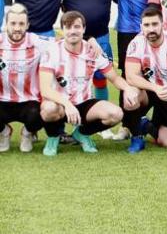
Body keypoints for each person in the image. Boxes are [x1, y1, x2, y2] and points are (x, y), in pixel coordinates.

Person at [39, 11, 138, 156]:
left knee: (115, 114)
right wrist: (67, 105)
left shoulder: (93, 51)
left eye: (77, 27)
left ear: (84, 29)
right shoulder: (52, 51)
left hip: (84, 103)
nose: (73, 31)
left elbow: (114, 78)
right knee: (48, 109)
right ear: (62, 30)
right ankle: (53, 137)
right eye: (68, 27)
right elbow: (45, 89)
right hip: (60, 104)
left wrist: (128, 88)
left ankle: (81, 134)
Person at [122, 6, 167, 152]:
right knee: (130, 96)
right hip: (150, 89)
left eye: (155, 24)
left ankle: (146, 125)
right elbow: (131, 76)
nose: (151, 29)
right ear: (141, 26)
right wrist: (155, 88)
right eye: (147, 25)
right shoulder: (136, 43)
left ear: (163, 24)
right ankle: (136, 137)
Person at [61, 0, 114, 101]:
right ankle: (78, 122)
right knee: (74, 82)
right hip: (74, 39)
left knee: (100, 79)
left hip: (101, 38)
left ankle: (101, 124)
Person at [0, 4, 53, 153]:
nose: (17, 28)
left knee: (41, 113)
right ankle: (4, 132)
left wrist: (91, 40)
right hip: (2, 100)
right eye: (13, 23)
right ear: (6, 24)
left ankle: (27, 133)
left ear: (27, 25)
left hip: (29, 102)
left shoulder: (37, 42)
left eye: (21, 24)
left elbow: (64, 42)